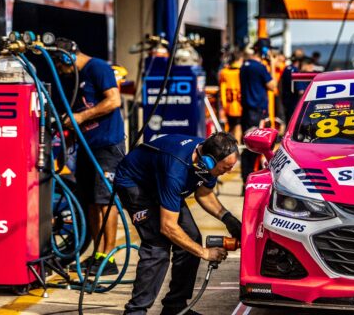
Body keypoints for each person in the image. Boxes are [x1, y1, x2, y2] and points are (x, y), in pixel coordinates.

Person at [113, 132, 241, 315]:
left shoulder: (208, 155)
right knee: (157, 246)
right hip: (135, 183)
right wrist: (204, 252)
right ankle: (136, 311)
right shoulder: (176, 170)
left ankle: (175, 307)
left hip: (162, 183)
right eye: (225, 168)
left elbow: (203, 193)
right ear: (209, 162)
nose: (228, 172)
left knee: (191, 238)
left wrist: (227, 218)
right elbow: (168, 227)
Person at [55, 42, 125, 276]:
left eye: (60, 65)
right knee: (92, 202)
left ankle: (108, 257)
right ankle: (97, 254)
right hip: (88, 146)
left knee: (105, 201)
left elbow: (114, 101)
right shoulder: (80, 76)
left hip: (107, 145)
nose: (61, 70)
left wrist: (80, 116)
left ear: (68, 58)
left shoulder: (98, 67)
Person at [239, 40, 277, 191]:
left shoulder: (244, 66)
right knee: (259, 147)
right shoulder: (260, 68)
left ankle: (245, 181)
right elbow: (272, 85)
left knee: (247, 147)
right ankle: (253, 180)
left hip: (247, 111)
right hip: (258, 112)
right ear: (264, 50)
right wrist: (272, 64)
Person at [280, 57, 315, 123]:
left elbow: (280, 84)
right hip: (297, 107)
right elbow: (301, 92)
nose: (312, 69)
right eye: (311, 66)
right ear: (306, 65)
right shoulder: (298, 74)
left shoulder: (286, 69)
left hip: (287, 102)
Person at [218, 53, 243, 142]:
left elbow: (222, 89)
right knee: (237, 125)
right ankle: (237, 146)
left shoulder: (224, 72)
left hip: (228, 104)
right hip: (239, 104)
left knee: (231, 126)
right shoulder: (242, 71)